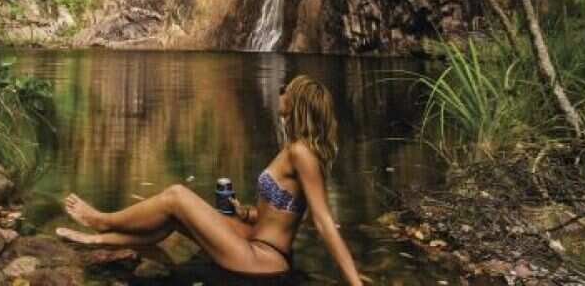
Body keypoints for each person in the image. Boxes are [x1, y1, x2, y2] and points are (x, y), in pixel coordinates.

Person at [56, 75, 366, 286]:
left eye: (286, 89)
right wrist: (245, 212)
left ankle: (102, 220)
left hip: (263, 259)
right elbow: (287, 212)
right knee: (173, 218)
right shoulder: (291, 149)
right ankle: (97, 240)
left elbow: (323, 222)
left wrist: (354, 283)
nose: (280, 92)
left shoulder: (302, 154)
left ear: (297, 101)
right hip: (251, 237)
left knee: (177, 195)